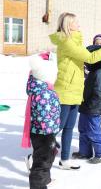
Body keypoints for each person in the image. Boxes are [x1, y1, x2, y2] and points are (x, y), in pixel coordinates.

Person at [49, 12, 101, 170]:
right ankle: (36, 157)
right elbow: (90, 57)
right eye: (76, 22)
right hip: (66, 91)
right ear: (69, 25)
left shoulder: (75, 41)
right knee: (58, 128)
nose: (79, 25)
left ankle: (65, 160)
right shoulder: (67, 41)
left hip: (76, 91)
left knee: (69, 128)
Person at [24, 53, 60, 189]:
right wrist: (49, 134)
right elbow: (42, 115)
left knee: (47, 158)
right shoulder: (43, 92)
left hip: (45, 131)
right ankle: (38, 185)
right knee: (42, 162)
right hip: (44, 133)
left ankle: (46, 180)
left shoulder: (43, 89)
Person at [72, 45, 101, 164]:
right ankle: (85, 152)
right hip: (85, 107)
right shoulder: (92, 72)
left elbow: (99, 93)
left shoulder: (99, 73)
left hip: (93, 109)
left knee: (94, 130)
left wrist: (91, 105)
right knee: (83, 129)